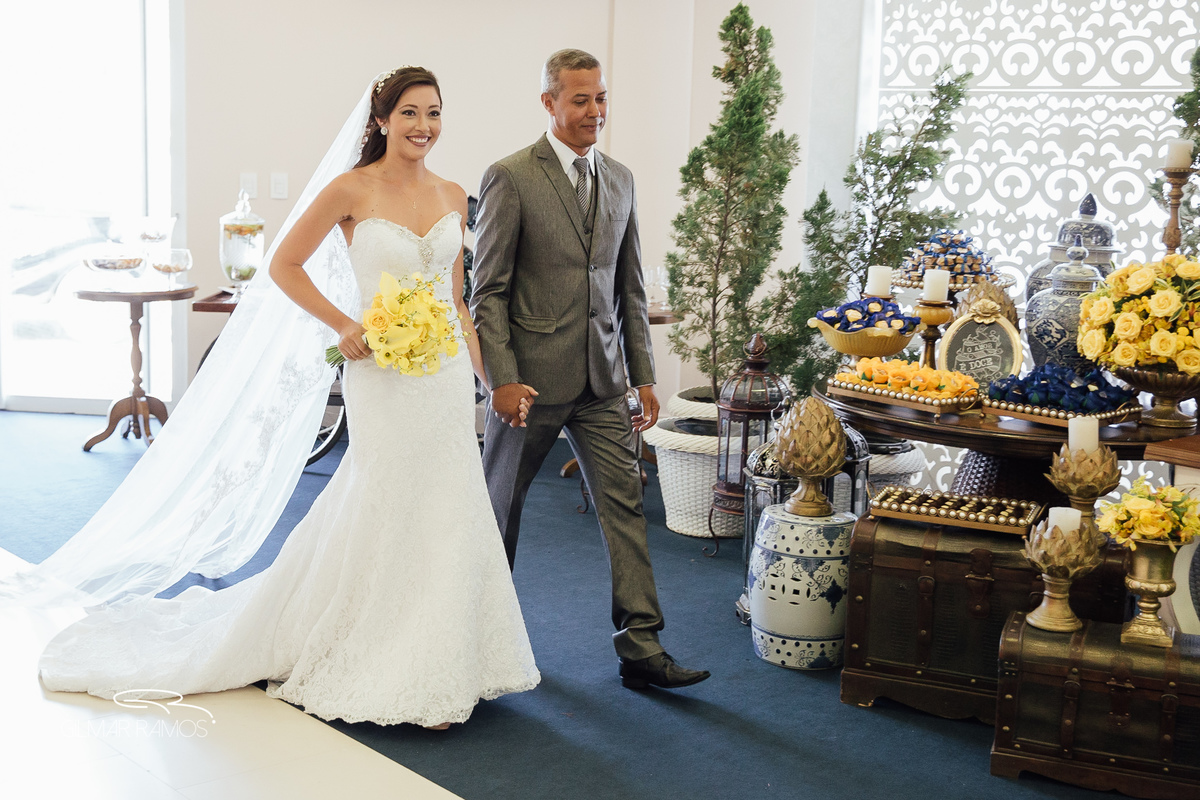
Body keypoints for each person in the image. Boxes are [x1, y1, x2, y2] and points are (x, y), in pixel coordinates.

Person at [33, 67, 540, 728]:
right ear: (382, 119)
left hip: (441, 378)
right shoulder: (351, 189)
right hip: (381, 374)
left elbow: (458, 304)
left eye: (435, 113)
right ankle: (378, 652)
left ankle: (447, 657)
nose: (424, 126)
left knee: (448, 504)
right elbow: (282, 264)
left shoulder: (451, 193)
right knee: (385, 499)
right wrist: (344, 324)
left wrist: (489, 379)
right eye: (411, 113)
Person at [471, 49, 709, 691]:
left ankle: (641, 647)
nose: (595, 111)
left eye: (601, 98)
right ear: (549, 103)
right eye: (581, 100)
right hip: (529, 385)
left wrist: (644, 374)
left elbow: (628, 285)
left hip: (603, 380)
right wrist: (500, 380)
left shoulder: (623, 179)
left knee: (626, 506)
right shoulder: (510, 176)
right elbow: (485, 292)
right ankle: (473, 641)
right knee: (501, 508)